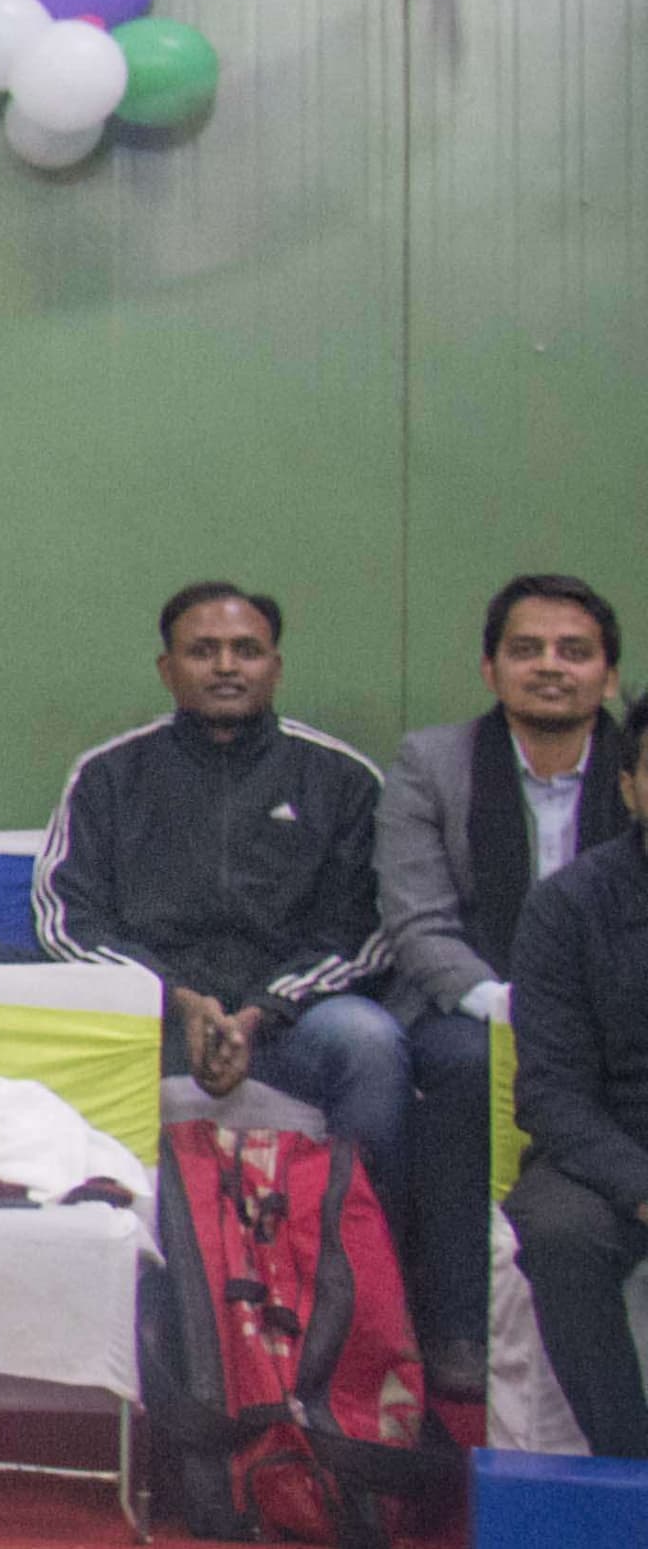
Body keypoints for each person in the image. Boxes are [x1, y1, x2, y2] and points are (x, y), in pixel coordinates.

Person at [33, 584, 408, 1253]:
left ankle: (357, 1270)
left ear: (277, 666)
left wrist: (261, 1011)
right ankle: (107, 1274)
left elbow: (367, 930)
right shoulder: (109, 775)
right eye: (203, 651)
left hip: (292, 1025)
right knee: (56, 1037)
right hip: (153, 1021)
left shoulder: (340, 778)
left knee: (371, 1042)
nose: (227, 666)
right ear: (167, 668)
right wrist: (174, 998)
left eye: (247, 650)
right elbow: (66, 919)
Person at [379, 574, 631, 1401]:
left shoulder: (638, 773)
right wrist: (508, 1005)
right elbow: (418, 923)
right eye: (526, 649)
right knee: (461, 1068)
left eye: (575, 650)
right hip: (473, 1004)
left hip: (615, 1015)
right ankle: (457, 1324)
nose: (550, 666)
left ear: (610, 674)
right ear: (490, 669)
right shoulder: (433, 762)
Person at [504, 725, 648, 1458]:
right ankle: (631, 1464)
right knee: (559, 1229)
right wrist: (639, 1183)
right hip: (607, 1147)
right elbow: (552, 1092)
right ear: (629, 786)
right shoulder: (568, 907)